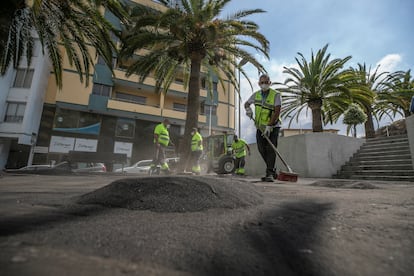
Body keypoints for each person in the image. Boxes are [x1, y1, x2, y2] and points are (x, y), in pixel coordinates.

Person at [244, 74, 282, 182]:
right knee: (261, 148)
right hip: (260, 127)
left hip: (273, 126)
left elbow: (277, 111)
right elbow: (246, 103)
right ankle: (272, 170)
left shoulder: (276, 95)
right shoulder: (256, 95)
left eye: (266, 82)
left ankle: (269, 173)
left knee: (271, 149)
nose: (264, 84)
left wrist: (270, 125)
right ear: (259, 84)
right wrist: (248, 110)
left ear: (270, 83)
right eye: (262, 82)